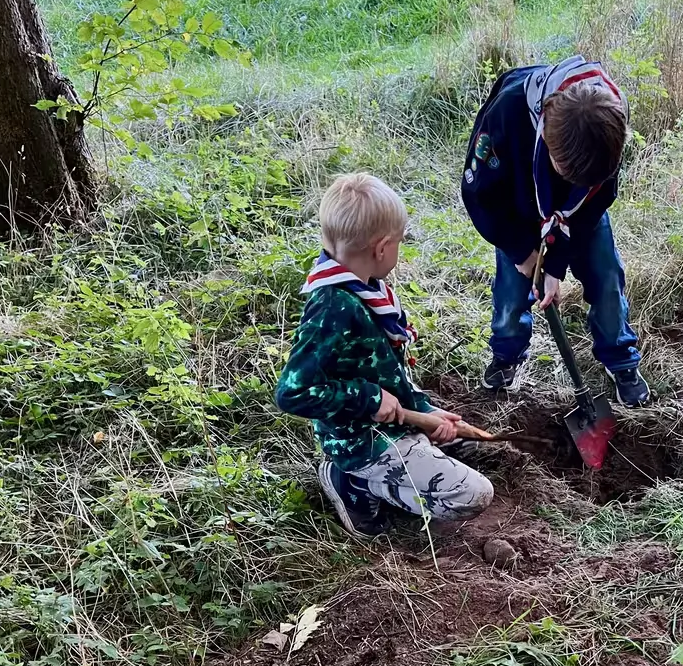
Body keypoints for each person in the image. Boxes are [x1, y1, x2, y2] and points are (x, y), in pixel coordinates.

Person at [276, 172, 494, 539]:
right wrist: (369, 399)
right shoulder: (333, 308)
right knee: (473, 495)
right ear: (381, 248)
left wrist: (423, 410)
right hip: (359, 439)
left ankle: (410, 454)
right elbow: (291, 393)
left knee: (462, 438)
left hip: (387, 419)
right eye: (399, 243)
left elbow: (386, 371)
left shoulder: (364, 289)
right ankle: (353, 484)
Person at [461, 55, 650, 405]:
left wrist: (555, 266)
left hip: (579, 216)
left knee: (606, 278)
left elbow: (598, 198)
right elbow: (478, 193)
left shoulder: (608, 122)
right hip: (515, 213)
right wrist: (523, 252)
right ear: (545, 133)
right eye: (563, 170)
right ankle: (507, 354)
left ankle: (620, 358)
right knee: (511, 292)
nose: (568, 178)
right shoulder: (508, 113)